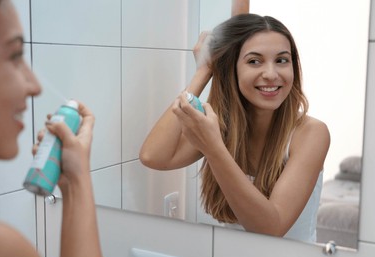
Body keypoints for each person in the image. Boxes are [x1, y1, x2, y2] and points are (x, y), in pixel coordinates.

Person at [140, 13, 330, 243]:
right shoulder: (220, 125)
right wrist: (203, 71)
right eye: (254, 61)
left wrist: (213, 148)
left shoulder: (311, 134)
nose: (271, 74)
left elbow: (271, 227)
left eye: (281, 60)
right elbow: (153, 156)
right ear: (232, 69)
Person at [0, 0, 102, 257]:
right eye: (14, 56)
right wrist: (78, 182)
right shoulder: (6, 250)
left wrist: (71, 181)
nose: (35, 86)